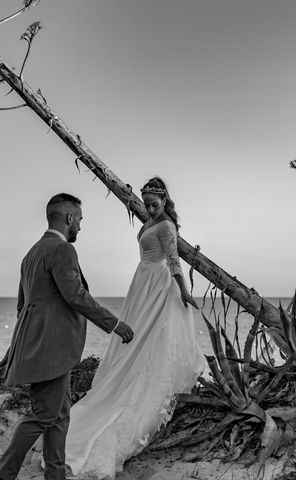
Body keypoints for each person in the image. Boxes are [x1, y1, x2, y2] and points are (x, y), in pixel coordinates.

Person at [62, 177, 206, 479]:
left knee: (152, 340)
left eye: (154, 204)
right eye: (147, 204)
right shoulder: (149, 217)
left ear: (165, 201)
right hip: (142, 282)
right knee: (135, 337)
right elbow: (138, 211)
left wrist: (184, 291)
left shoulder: (167, 226)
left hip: (158, 284)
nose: (150, 209)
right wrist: (131, 200)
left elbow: (174, 261)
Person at [0, 193, 134, 480]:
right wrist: (114, 324)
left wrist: (18, 349)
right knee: (43, 416)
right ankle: (5, 472)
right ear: (70, 218)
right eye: (80, 220)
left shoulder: (31, 254)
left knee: (60, 416)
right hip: (52, 351)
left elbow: (23, 306)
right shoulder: (62, 251)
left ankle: (56, 475)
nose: (81, 227)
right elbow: (76, 295)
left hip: (37, 348)